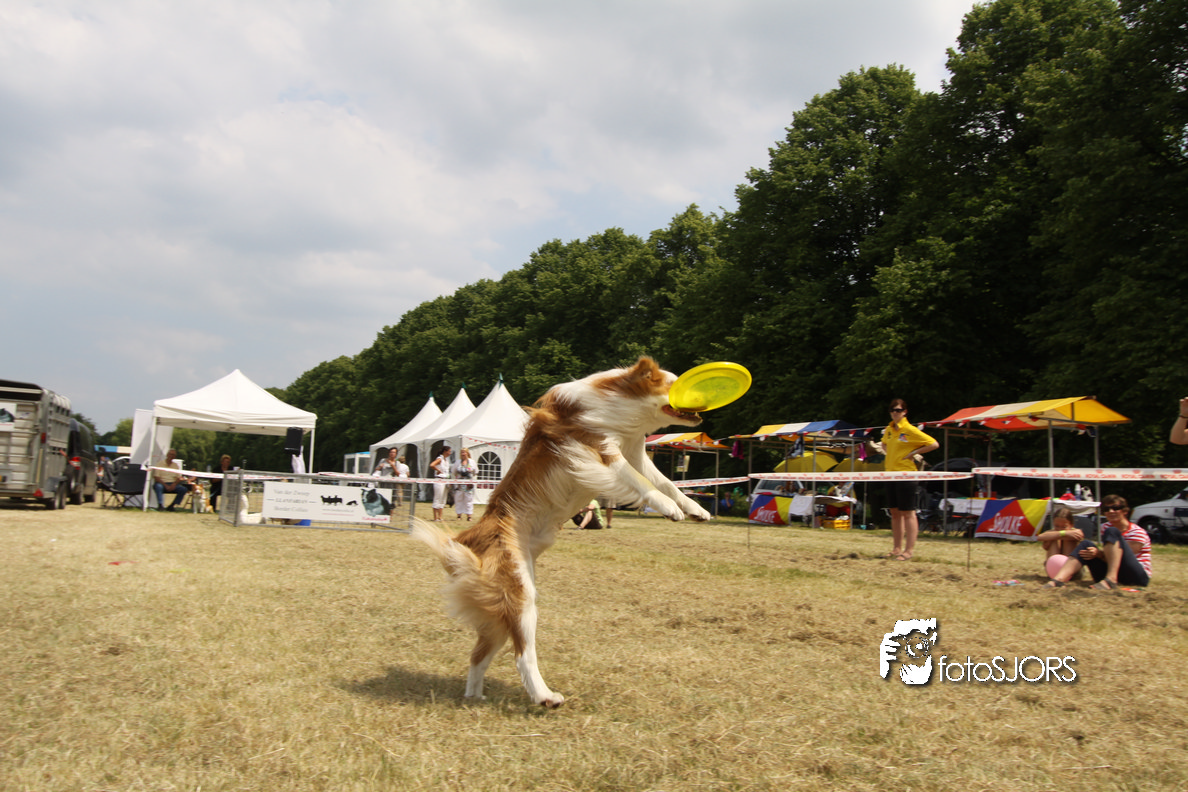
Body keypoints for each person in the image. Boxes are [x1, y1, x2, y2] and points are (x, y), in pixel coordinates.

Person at [1044, 494, 1152, 589]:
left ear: (1125, 511)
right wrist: (1095, 553)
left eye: (1115, 508)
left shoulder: (1137, 532)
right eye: (1107, 509)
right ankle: (1058, 580)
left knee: (1112, 531)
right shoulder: (1104, 527)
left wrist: (1099, 554)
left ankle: (1111, 580)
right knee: (1086, 544)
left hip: (1137, 577)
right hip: (1114, 571)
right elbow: (1109, 554)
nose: (1111, 511)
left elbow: (1122, 557)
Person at [881, 398, 939, 561]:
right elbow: (884, 444)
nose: (895, 413)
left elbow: (933, 444)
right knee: (894, 512)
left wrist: (913, 453)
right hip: (890, 473)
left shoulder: (910, 429)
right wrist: (890, 455)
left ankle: (909, 550)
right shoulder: (889, 429)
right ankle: (896, 548)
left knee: (908, 512)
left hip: (906, 474)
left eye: (898, 410)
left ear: (905, 412)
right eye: (892, 410)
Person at [1033, 506, 1084, 580]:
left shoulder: (1075, 532)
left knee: (1069, 538)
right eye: (1057, 526)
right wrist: (1062, 533)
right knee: (1054, 538)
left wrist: (1065, 534)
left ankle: (1065, 571)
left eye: (1064, 527)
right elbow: (1039, 537)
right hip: (1054, 570)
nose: (1060, 529)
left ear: (1071, 525)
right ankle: (1055, 569)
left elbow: (1080, 535)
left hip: (1072, 571)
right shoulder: (1053, 532)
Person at [451, 448, 476, 521]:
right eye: (462, 452)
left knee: (468, 500)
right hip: (459, 484)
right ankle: (459, 515)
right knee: (459, 499)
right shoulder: (458, 462)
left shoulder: (472, 462)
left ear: (467, 453)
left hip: (468, 484)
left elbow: (475, 471)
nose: (463, 454)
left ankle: (469, 516)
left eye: (464, 452)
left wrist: (469, 475)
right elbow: (453, 471)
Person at [429, 445, 452, 522]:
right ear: (445, 451)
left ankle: (440, 517)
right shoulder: (440, 459)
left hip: (445, 480)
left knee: (443, 499)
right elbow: (432, 465)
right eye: (449, 451)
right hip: (439, 480)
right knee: (437, 498)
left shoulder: (446, 460)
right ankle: (435, 517)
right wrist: (437, 470)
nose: (450, 453)